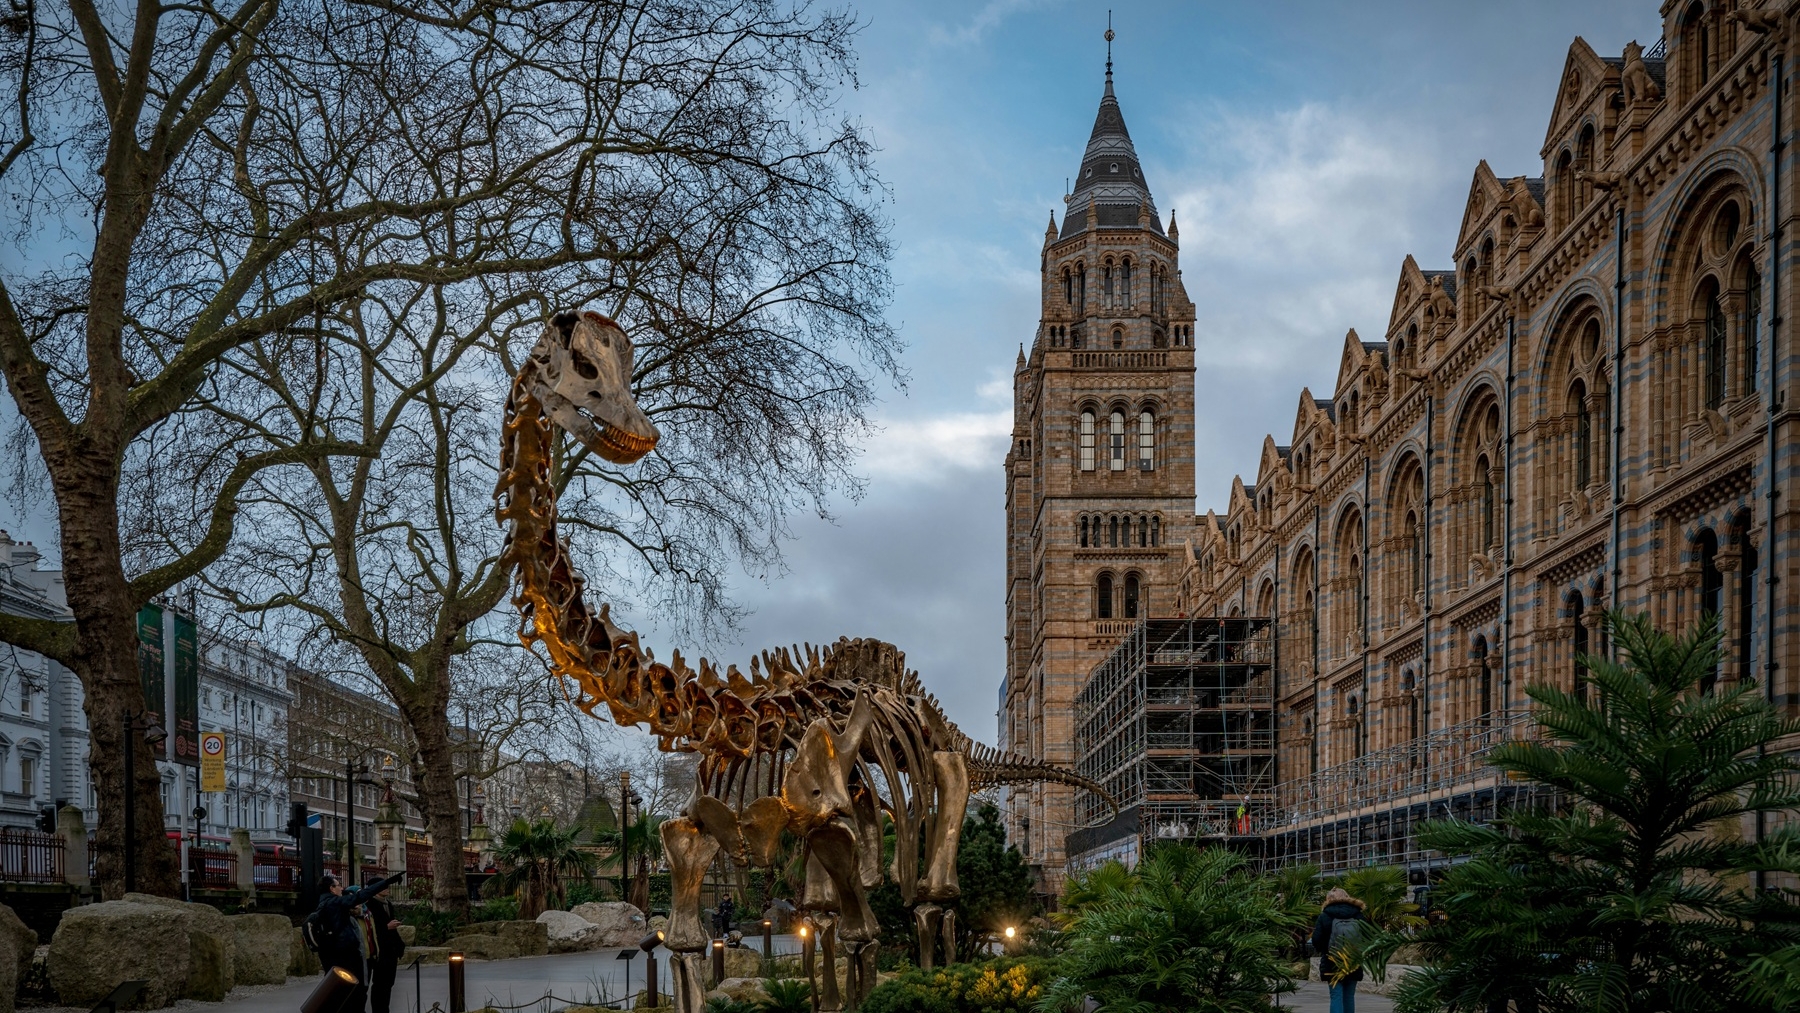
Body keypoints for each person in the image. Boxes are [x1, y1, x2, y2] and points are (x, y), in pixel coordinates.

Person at [314, 871, 403, 1013]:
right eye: (338, 885)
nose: (341, 888)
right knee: (352, 993)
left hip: (341, 955)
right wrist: (386, 882)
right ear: (331, 888)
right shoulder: (333, 903)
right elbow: (359, 896)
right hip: (344, 956)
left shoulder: (327, 904)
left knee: (349, 993)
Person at [1311, 886, 1370, 1013]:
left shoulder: (1325, 916)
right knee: (1349, 996)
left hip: (1332, 961)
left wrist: (1326, 950)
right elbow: (1367, 937)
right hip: (1353, 961)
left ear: (1328, 899)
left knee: (1336, 996)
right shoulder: (1358, 914)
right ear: (1347, 897)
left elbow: (1316, 940)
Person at [366, 879, 407, 1013]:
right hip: (380, 950)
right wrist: (386, 927)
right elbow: (369, 928)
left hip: (391, 949)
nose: (387, 888)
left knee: (388, 983)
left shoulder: (388, 904)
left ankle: (384, 1009)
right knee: (380, 983)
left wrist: (399, 945)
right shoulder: (369, 904)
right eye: (383, 886)